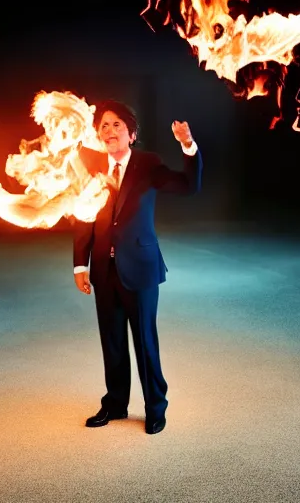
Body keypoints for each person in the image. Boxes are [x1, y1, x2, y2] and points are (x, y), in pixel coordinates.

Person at [73, 100, 203, 434]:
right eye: (103, 125)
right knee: (112, 342)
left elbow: (189, 186)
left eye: (117, 125)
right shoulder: (89, 167)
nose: (109, 131)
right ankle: (115, 404)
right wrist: (79, 264)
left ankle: (155, 408)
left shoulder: (147, 164)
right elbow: (83, 216)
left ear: (131, 134)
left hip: (140, 267)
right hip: (104, 268)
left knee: (144, 341)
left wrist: (187, 146)